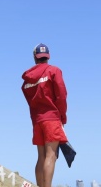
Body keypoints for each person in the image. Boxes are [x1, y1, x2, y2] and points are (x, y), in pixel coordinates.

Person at [21, 43, 68, 187]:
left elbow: (29, 99)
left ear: (34, 57)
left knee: (41, 157)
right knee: (51, 156)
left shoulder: (27, 80)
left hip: (37, 120)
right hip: (51, 118)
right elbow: (61, 95)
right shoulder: (54, 71)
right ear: (48, 57)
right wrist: (63, 117)